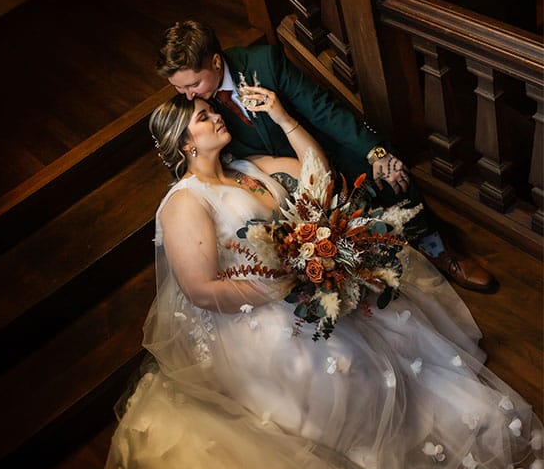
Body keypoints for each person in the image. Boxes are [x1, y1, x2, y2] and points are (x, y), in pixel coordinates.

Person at [95, 88, 542, 469]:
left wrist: (282, 119)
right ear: (183, 142)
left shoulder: (245, 168)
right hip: (250, 319)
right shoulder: (186, 201)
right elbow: (201, 289)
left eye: (210, 110)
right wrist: (278, 288)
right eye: (201, 116)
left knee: (384, 342)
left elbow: (314, 171)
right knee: (332, 369)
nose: (214, 115)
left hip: (297, 289)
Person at [156, 19, 497, 293]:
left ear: (216, 62)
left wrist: (375, 152)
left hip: (323, 151)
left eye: (193, 84)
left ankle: (437, 247)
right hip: (279, 179)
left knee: (388, 170)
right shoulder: (198, 110)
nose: (187, 95)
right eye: (180, 88)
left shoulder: (264, 63)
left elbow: (322, 110)